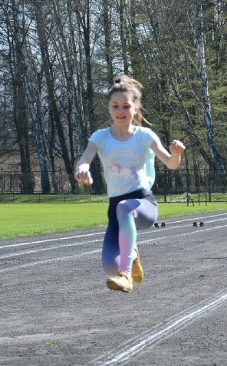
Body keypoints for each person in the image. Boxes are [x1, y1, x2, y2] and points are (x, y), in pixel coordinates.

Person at [74, 75, 185, 292]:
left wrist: (177, 153)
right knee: (109, 266)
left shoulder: (144, 135)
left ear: (135, 108)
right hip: (115, 208)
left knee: (126, 209)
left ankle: (126, 274)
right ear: (108, 108)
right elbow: (85, 158)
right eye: (115, 106)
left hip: (143, 204)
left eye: (126, 106)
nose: (120, 111)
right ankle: (131, 255)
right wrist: (82, 170)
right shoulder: (100, 137)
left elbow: (171, 164)